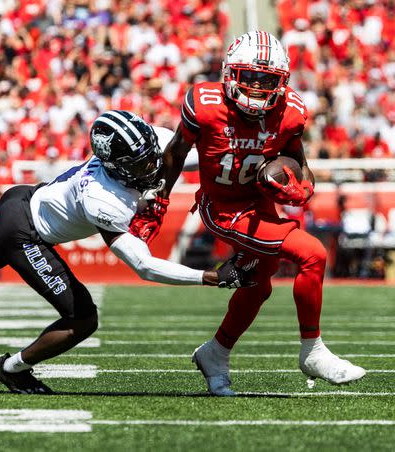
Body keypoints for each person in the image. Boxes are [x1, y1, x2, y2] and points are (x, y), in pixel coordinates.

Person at [0, 110, 257, 395]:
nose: (152, 168)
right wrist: (212, 277)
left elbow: (206, 152)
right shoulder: (104, 199)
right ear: (113, 164)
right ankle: (13, 369)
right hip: (27, 231)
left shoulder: (153, 145)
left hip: (24, 200)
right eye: (140, 164)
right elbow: (143, 265)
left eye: (152, 157)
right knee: (83, 318)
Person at [129, 31, 365, 396]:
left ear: (281, 82)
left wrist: (301, 188)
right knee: (313, 254)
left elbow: (301, 168)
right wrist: (158, 201)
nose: (256, 88)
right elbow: (175, 152)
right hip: (221, 207)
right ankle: (312, 350)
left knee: (257, 284)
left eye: (267, 80)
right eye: (249, 77)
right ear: (229, 73)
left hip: (259, 206)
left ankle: (215, 353)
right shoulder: (205, 103)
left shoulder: (290, 113)